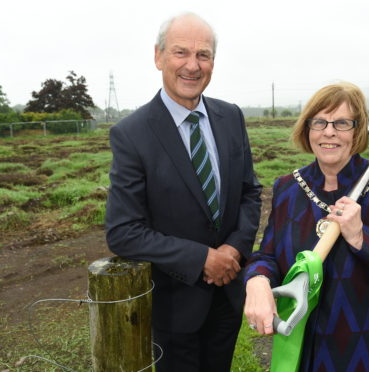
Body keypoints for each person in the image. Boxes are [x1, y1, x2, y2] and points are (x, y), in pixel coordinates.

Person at [243, 82, 369, 371]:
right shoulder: (288, 187)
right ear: (307, 128)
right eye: (319, 122)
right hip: (299, 349)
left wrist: (362, 238)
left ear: (358, 130)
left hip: (366, 355)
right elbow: (267, 255)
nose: (329, 132)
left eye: (342, 123)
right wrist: (257, 280)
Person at [104, 12, 262, 372]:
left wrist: (232, 250)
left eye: (203, 55)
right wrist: (202, 259)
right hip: (174, 306)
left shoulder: (231, 117)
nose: (193, 65)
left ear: (213, 62)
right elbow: (123, 231)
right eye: (180, 53)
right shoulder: (132, 134)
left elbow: (249, 193)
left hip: (228, 293)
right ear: (158, 57)